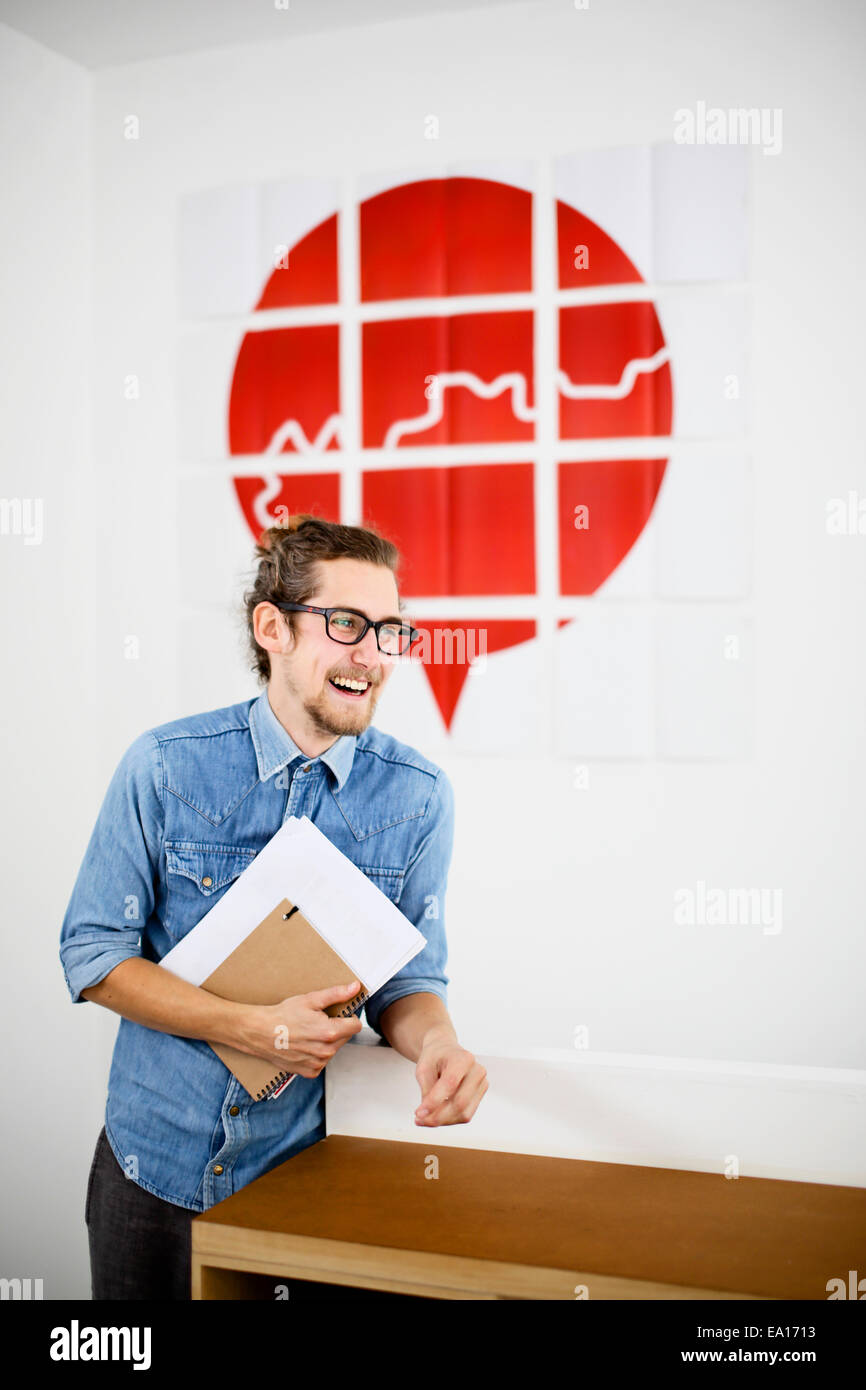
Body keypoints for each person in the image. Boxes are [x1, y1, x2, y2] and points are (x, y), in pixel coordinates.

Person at [60, 514, 487, 1300]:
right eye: (347, 624)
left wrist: (437, 1046)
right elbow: (93, 955)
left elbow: (408, 982)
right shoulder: (163, 766)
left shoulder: (420, 797)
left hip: (305, 1177)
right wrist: (247, 1027)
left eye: (391, 631)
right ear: (273, 628)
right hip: (151, 1165)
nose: (372, 655)